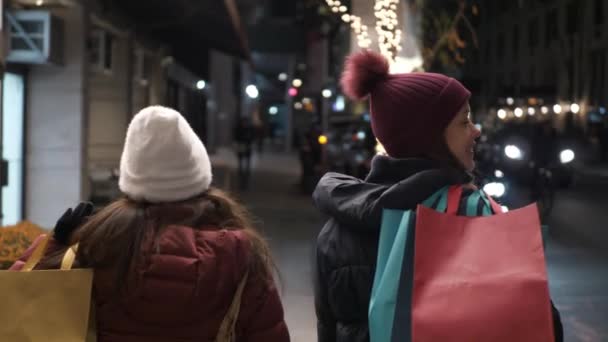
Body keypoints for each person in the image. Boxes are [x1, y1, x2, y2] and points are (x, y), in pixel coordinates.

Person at [312, 50, 563, 342]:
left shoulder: (336, 232)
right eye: (464, 121)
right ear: (429, 135)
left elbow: (327, 331)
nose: (476, 132)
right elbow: (542, 326)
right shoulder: (474, 217)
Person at [12, 106, 290, 342]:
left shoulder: (93, 246)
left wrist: (55, 244)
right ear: (199, 176)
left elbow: (17, 304)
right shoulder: (239, 255)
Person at [234, 116, 255, 190]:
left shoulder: (249, 128)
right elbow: (236, 137)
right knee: (241, 158)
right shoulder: (238, 128)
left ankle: (246, 170)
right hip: (241, 145)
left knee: (247, 158)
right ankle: (241, 170)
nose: (245, 123)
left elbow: (252, 137)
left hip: (247, 145)